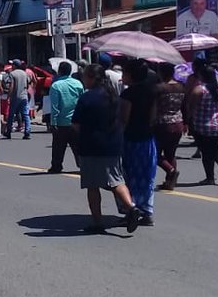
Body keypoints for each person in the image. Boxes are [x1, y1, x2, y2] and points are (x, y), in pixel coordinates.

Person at [73, 63, 142, 233]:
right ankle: (131, 207)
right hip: (113, 144)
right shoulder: (114, 96)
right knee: (116, 180)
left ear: (90, 78)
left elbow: (75, 124)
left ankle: (97, 222)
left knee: (92, 185)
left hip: (91, 146)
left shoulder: (86, 98)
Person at [121, 60, 159, 224]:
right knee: (146, 175)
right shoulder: (152, 92)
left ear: (131, 75)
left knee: (129, 176)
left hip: (131, 138)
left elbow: (123, 119)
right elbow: (153, 117)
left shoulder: (128, 94)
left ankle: (131, 209)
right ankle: (147, 211)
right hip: (147, 138)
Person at [187, 57, 218, 185]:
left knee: (206, 152)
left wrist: (190, 120)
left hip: (203, 126)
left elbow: (192, 107)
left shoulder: (199, 90)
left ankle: (210, 177)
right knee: (215, 148)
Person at [154, 62, 187, 190]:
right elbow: (185, 106)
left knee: (155, 154)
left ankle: (171, 170)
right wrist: (186, 123)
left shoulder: (159, 88)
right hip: (178, 122)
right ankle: (170, 182)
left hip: (162, 124)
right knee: (171, 153)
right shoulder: (181, 87)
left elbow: (154, 107)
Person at [47, 62, 83, 173]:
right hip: (76, 121)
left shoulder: (56, 85)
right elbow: (82, 102)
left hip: (61, 122)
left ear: (59, 71)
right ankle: (83, 165)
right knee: (78, 146)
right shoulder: (78, 84)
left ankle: (56, 166)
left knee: (58, 146)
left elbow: (54, 106)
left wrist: (53, 122)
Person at [6, 60, 32, 139]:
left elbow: (11, 86)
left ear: (14, 65)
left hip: (15, 96)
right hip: (24, 96)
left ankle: (9, 131)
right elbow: (28, 84)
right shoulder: (25, 73)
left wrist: (9, 96)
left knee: (11, 115)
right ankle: (27, 131)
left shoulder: (12, 74)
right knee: (26, 114)